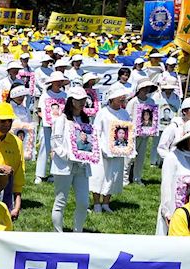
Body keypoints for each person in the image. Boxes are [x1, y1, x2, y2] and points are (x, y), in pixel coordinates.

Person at [49, 86, 93, 232]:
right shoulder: (61, 119)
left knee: (83, 202)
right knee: (60, 201)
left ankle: (77, 232)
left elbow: (89, 142)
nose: (81, 103)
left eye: (84, 100)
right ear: (71, 101)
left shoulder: (86, 119)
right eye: (78, 100)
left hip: (82, 166)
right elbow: (56, 142)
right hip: (64, 166)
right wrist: (70, 155)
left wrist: (88, 154)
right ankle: (58, 233)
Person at [91, 84, 132, 213]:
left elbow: (128, 131)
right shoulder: (102, 113)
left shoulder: (124, 113)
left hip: (118, 150)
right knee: (99, 176)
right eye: (119, 97)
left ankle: (106, 202)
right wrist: (99, 148)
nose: (122, 99)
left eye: (123, 97)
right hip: (102, 150)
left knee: (113, 177)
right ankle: (97, 203)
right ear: (112, 98)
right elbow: (96, 131)